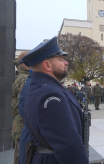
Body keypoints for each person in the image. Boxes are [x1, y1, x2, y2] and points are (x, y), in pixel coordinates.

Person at [22, 36, 88, 164]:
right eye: (61, 59)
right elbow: (68, 145)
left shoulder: (46, 87)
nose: (66, 62)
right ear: (47, 65)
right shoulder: (50, 94)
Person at [11, 51, 29, 164]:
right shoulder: (25, 80)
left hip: (18, 124)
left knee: (19, 154)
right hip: (23, 124)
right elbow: (24, 105)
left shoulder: (20, 78)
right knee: (23, 155)